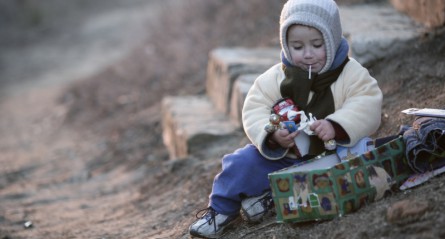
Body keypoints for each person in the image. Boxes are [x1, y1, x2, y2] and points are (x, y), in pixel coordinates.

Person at [189, 0, 383, 238]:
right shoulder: (276, 77)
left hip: (335, 157)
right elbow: (255, 108)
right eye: (298, 46)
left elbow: (367, 102)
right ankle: (220, 211)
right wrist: (272, 135)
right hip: (287, 159)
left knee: (364, 154)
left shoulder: (351, 74)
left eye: (317, 44)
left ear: (332, 40)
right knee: (242, 162)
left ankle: (269, 199)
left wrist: (336, 125)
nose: (308, 54)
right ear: (285, 45)